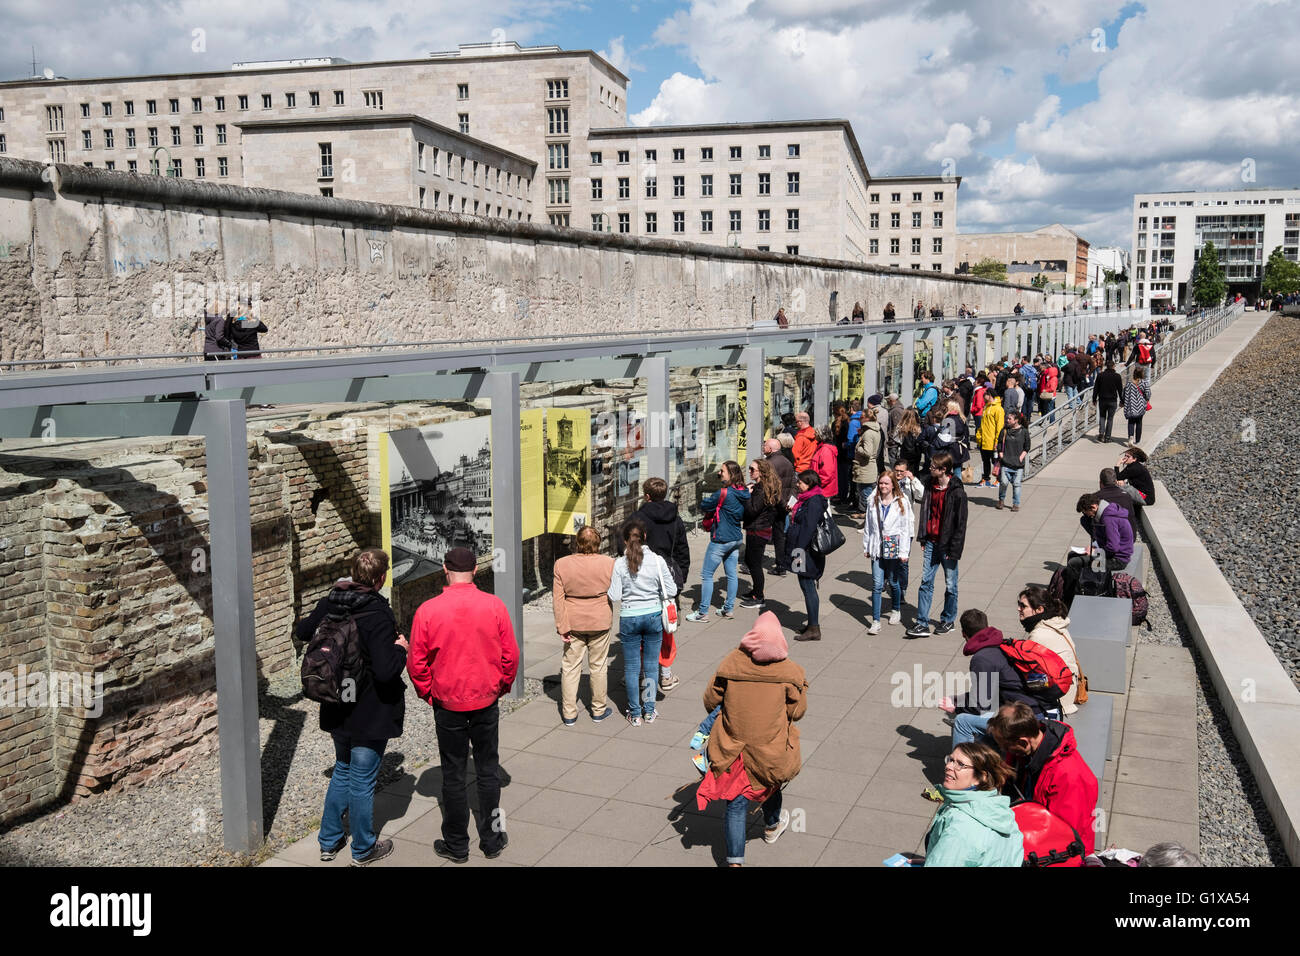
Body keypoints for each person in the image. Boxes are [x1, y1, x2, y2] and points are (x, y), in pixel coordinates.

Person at [408, 546, 519, 863]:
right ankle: (492, 839)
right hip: (485, 700)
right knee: (488, 771)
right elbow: (510, 655)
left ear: (445, 569)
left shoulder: (428, 610)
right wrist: (501, 685)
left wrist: (429, 693)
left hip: (448, 704)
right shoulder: (494, 605)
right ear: (474, 570)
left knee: (453, 776)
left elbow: (416, 664)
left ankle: (456, 844)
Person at [298, 547, 408, 866]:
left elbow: (303, 631)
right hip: (368, 708)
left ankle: (329, 841)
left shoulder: (332, 600)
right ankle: (362, 849)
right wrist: (401, 648)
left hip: (336, 702)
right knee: (361, 778)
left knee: (343, 768)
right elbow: (387, 670)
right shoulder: (377, 612)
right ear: (381, 577)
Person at [696, 611, 807, 867]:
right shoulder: (790, 672)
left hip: (733, 747)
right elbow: (797, 712)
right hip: (770, 748)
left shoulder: (732, 663)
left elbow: (710, 701)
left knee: (735, 804)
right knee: (771, 783)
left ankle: (735, 862)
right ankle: (771, 825)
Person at [987, 702, 1099, 858]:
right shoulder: (1024, 751)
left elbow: (1064, 837)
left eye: (1006, 747)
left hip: (1055, 853)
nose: (1004, 751)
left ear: (1023, 742)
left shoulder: (1069, 776)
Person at [608, 522, 677, 725]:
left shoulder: (620, 564)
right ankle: (649, 710)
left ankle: (634, 712)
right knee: (650, 666)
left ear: (625, 540)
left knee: (631, 668)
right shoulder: (657, 561)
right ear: (645, 536)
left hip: (629, 618)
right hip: (653, 616)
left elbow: (615, 595)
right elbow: (671, 589)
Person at [922, 741, 1024, 867]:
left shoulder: (960, 826)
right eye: (950, 759)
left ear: (980, 777)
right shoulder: (998, 808)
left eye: (960, 764)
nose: (949, 766)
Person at [552, 526, 617, 726]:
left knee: (570, 667)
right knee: (598, 666)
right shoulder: (609, 563)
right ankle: (598, 709)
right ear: (598, 543)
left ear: (577, 543)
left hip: (573, 622)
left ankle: (569, 713)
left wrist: (562, 625)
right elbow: (615, 592)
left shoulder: (562, 564)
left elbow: (558, 599)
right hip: (599, 620)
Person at [909, 451, 968, 638]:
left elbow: (960, 524)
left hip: (948, 545)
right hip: (931, 542)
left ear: (943, 470)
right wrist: (924, 537)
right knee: (926, 582)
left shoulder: (957, 492)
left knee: (951, 584)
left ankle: (948, 620)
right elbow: (926, 513)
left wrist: (955, 549)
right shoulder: (930, 486)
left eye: (934, 467)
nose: (930, 468)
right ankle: (922, 623)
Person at [687, 461, 750, 622]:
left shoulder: (724, 492)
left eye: (722, 471)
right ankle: (728, 609)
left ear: (731, 474)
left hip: (721, 538)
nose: (719, 474)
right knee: (731, 574)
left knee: (707, 575)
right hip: (736, 537)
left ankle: (702, 613)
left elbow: (705, 504)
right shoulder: (743, 492)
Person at [862, 469, 913, 634]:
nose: (883, 486)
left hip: (892, 545)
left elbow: (906, 529)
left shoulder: (902, 502)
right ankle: (876, 621)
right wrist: (866, 547)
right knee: (877, 584)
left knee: (893, 582)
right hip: (877, 546)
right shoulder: (873, 501)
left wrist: (904, 552)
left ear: (893, 485)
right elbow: (868, 526)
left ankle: (896, 609)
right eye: (881, 483)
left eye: (886, 483)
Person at [1016, 586, 1080, 717]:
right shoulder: (1055, 623)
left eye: (1023, 606)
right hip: (1069, 689)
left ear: (1039, 610)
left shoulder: (1039, 635)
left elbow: (1032, 672)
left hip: (1060, 699)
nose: (1019, 609)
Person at [786, 470, 829, 642]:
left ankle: (814, 628)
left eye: (801, 482)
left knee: (808, 586)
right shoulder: (808, 498)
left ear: (809, 483)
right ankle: (811, 624)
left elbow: (808, 528)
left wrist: (798, 551)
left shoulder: (813, 501)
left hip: (806, 551)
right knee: (805, 585)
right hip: (803, 549)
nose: (798, 484)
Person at [739, 458, 781, 611]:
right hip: (760, 528)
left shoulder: (760, 489)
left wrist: (746, 495)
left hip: (757, 530)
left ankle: (759, 597)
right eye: (749, 468)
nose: (749, 471)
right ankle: (755, 591)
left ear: (762, 472)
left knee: (755, 564)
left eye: (752, 469)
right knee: (751, 561)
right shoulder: (764, 486)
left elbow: (751, 510)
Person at [763, 438, 796, 576]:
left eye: (765, 445)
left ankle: (751, 563)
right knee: (779, 535)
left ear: (770, 449)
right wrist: (790, 503)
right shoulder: (787, 461)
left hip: (773, 505)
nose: (763, 447)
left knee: (761, 533)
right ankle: (781, 564)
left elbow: (772, 488)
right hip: (784, 505)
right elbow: (794, 484)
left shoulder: (770, 464)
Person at [852, 399, 886, 518]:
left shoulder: (868, 433)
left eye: (861, 417)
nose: (859, 420)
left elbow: (867, 452)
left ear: (866, 419)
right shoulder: (874, 430)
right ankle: (867, 519)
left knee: (867, 497)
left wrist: (857, 448)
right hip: (869, 468)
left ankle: (869, 522)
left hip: (866, 469)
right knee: (869, 495)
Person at [996, 410, 1030, 512]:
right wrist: (1000, 453)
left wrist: (1021, 457)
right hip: (1006, 462)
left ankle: (1016, 504)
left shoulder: (1024, 432)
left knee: (1016, 484)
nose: (1007, 420)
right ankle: (1001, 500)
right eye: (1007, 418)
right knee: (1004, 483)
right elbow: (999, 443)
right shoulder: (1005, 430)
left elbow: (1027, 447)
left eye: (1009, 419)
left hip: (1018, 464)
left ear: (1016, 420)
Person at [975, 388, 1004, 487]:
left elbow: (999, 427)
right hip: (984, 440)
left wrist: (997, 441)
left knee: (995, 461)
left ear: (989, 395)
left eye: (984, 395)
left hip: (992, 441)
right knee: (985, 461)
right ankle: (986, 478)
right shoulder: (986, 407)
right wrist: (979, 436)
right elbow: (982, 424)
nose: (983, 397)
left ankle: (999, 479)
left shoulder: (998, 409)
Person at [1097, 468, 1137, 536]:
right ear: (1116, 481)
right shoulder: (1127, 495)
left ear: (1100, 483)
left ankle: (1098, 541)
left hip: (1111, 537)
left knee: (1086, 519)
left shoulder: (1097, 497)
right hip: (1130, 536)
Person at [1092, 360, 1123, 442]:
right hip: (1112, 400)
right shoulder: (1117, 376)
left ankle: (1101, 433)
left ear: (1106, 366)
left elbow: (1096, 388)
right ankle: (1107, 437)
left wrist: (1094, 399)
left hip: (1102, 399)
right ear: (1113, 366)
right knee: (1110, 418)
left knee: (1102, 416)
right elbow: (1120, 390)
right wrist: (1122, 401)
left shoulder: (1100, 375)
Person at [810, 423, 839, 500]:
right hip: (820, 487)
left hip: (823, 489)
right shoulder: (821, 447)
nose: (814, 434)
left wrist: (816, 484)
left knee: (823, 510)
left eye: (816, 432)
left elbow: (827, 473)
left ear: (820, 434)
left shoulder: (825, 450)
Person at [1122, 367, 1152, 444]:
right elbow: (1148, 394)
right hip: (1141, 406)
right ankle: (1137, 440)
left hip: (1131, 405)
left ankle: (1130, 437)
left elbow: (1124, 394)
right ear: (1142, 374)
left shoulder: (1129, 383)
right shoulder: (1144, 383)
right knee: (1139, 422)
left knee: (1131, 422)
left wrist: (1123, 402)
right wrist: (1146, 399)